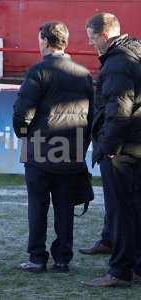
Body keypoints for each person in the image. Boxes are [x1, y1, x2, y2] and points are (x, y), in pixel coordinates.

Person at [13, 21, 94, 273]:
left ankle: (37, 258)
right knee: (65, 208)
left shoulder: (38, 71)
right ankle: (62, 259)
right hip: (70, 152)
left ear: (46, 41)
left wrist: (25, 136)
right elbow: (91, 117)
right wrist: (80, 146)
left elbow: (22, 113)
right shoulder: (84, 74)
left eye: (40, 39)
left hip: (38, 151)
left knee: (38, 207)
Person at [83, 12, 141, 287]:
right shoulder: (135, 51)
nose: (91, 45)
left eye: (92, 39)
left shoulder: (119, 62)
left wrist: (107, 149)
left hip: (122, 151)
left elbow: (119, 111)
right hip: (135, 146)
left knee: (121, 212)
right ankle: (137, 267)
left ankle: (119, 271)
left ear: (105, 36)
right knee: (136, 210)